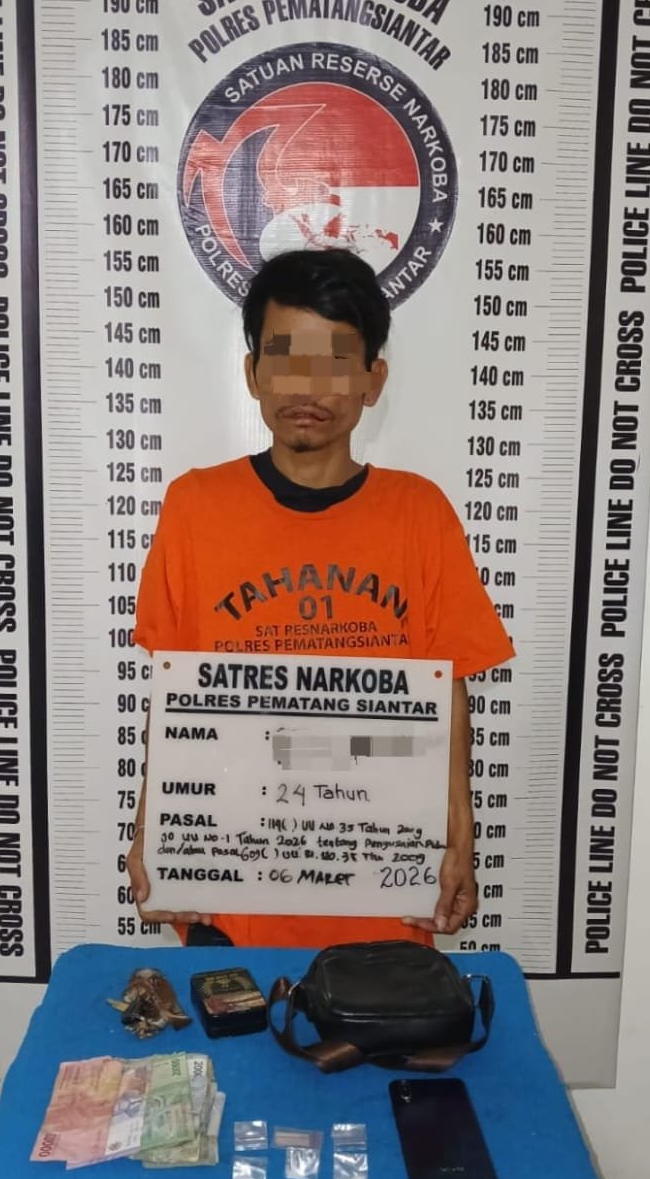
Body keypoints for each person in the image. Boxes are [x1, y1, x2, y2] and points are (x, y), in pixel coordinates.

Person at [127, 248, 514, 948]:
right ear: (253, 373)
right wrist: (151, 833)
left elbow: (449, 687)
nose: (307, 385)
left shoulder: (420, 513)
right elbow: (175, 694)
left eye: (335, 361)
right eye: (285, 358)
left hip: (382, 886)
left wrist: (461, 836)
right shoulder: (195, 507)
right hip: (232, 885)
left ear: (372, 380)